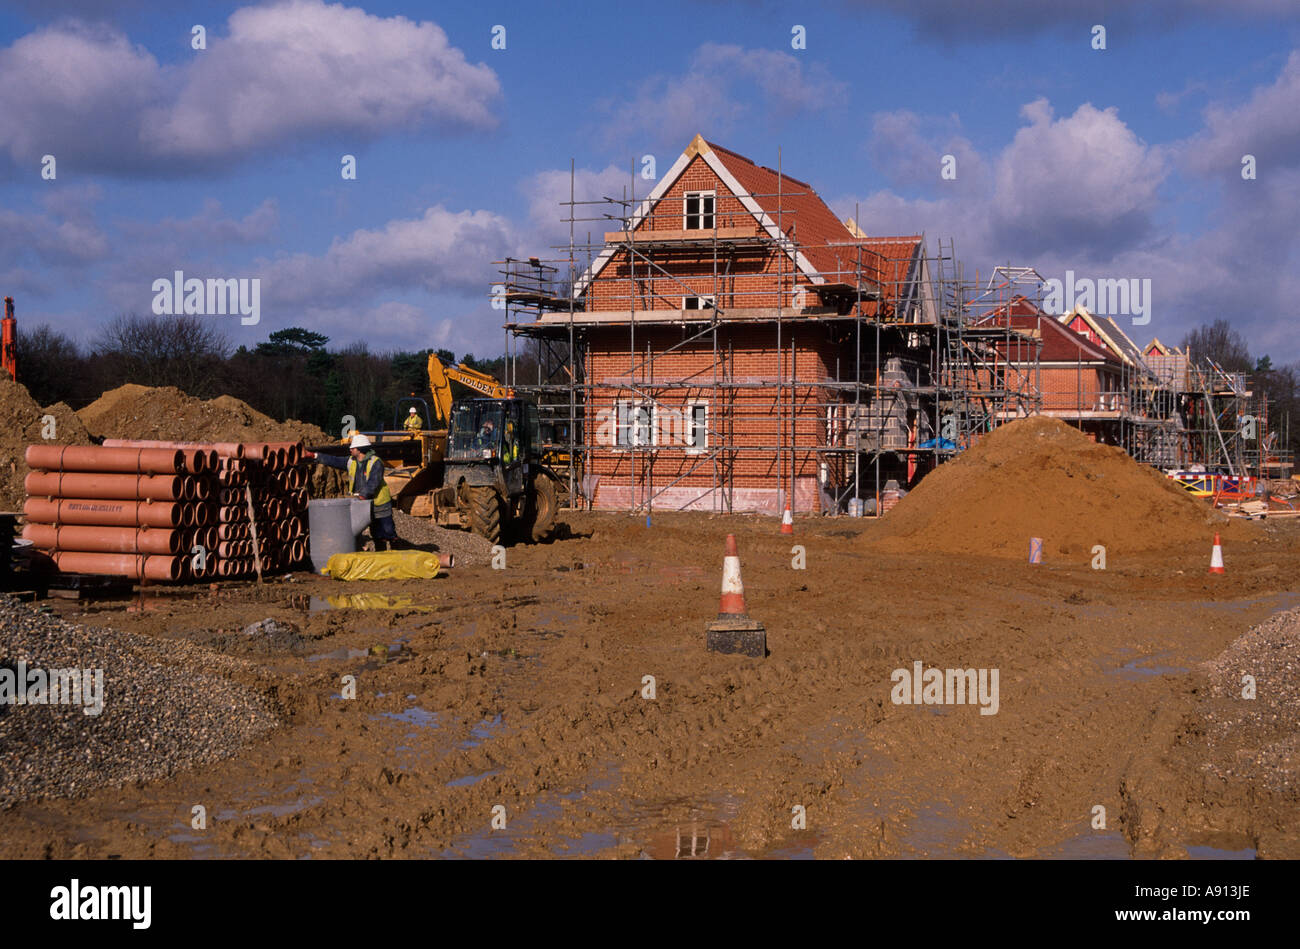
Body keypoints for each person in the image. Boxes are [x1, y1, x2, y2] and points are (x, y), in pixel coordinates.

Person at [304, 434, 398, 551]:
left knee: (388, 530)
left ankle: (398, 554)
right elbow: (334, 460)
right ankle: (381, 558)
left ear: (360, 450)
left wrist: (362, 495)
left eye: (353, 448)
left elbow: (373, 482)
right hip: (366, 503)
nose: (350, 450)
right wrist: (315, 455)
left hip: (380, 503)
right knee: (377, 533)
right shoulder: (351, 461)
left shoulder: (376, 462)